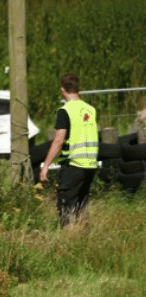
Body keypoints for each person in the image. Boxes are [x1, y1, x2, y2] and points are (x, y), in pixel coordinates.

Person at [39, 73, 99, 226]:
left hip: (73, 164)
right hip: (90, 164)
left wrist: (45, 166)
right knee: (82, 204)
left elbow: (59, 140)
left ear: (62, 89)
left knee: (66, 204)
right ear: (78, 89)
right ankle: (83, 235)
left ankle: (69, 236)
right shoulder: (90, 110)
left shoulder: (65, 110)